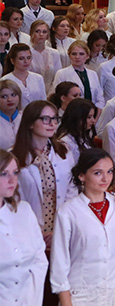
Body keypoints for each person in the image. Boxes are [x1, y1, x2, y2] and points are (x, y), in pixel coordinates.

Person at [50, 148, 115, 306]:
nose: (105, 178)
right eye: (98, 173)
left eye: (109, 172)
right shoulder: (68, 212)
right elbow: (59, 266)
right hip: (82, 300)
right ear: (82, 175)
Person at [13, 100, 78, 239]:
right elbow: (14, 198)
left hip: (61, 226)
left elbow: (71, 188)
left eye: (55, 119)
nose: (52, 124)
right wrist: (36, 232)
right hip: (28, 229)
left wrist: (63, 224)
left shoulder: (63, 150)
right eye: (45, 119)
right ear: (30, 123)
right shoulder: (15, 156)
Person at [0, 149, 49, 306]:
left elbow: (39, 261)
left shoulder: (24, 211)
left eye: (15, 172)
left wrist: (31, 305)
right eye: (4, 174)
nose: (13, 180)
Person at [51, 41, 105, 110]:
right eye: (74, 54)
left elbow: (100, 98)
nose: (77, 57)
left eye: (81, 54)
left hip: (92, 114)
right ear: (69, 56)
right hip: (70, 113)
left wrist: (95, 115)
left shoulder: (93, 74)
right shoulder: (62, 73)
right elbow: (57, 98)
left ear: (87, 56)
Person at [2, 44, 47, 110]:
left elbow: (43, 101)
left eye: (28, 58)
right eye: (21, 58)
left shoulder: (38, 78)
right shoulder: (5, 80)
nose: (26, 61)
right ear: (12, 61)